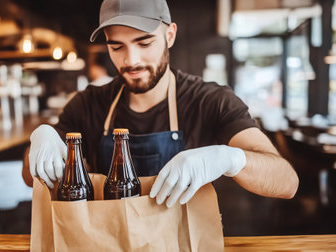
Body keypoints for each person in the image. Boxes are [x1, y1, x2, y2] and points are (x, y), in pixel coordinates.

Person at [23, 0, 298, 208]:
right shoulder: (88, 103)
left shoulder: (210, 101)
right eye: (117, 47)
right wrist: (42, 137)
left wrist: (230, 158)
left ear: (170, 35)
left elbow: (286, 182)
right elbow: (28, 176)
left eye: (144, 43)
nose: (131, 60)